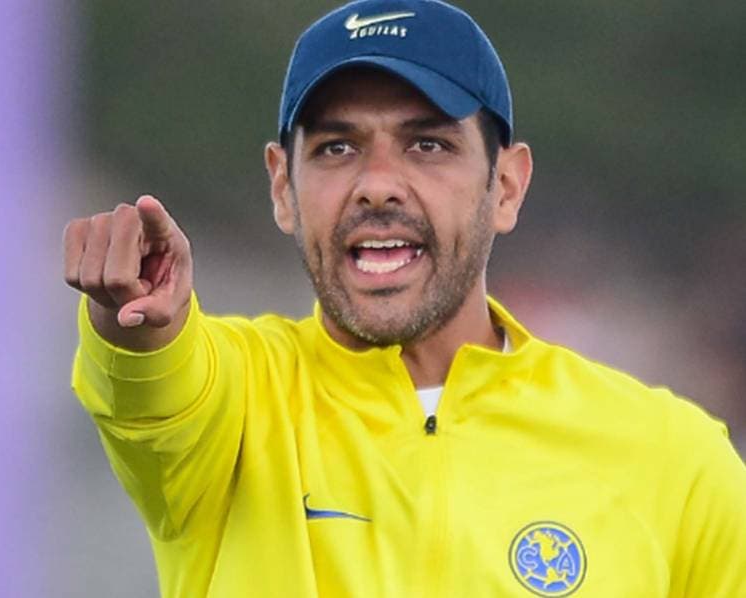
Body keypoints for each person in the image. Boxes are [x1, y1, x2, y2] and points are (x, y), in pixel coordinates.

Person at [63, 0, 746, 596]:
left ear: (506, 186)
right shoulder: (233, 405)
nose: (378, 184)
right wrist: (133, 320)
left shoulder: (674, 461)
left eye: (427, 144)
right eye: (337, 148)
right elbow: (152, 383)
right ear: (282, 187)